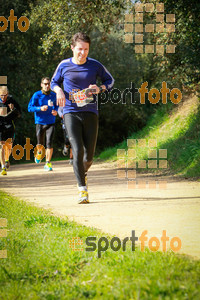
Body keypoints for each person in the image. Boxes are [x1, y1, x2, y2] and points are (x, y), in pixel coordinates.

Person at [51, 32, 114, 203]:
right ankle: (82, 190)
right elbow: (53, 82)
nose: (83, 53)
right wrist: (58, 91)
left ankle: (82, 173)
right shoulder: (64, 65)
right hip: (70, 111)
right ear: (72, 48)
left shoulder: (95, 65)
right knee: (77, 150)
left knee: (89, 156)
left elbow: (110, 80)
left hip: (91, 111)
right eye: (80, 49)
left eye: (86, 49)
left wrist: (99, 89)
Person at [28, 77, 58, 171]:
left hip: (51, 122)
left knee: (49, 142)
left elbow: (57, 106)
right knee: (40, 144)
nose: (47, 86)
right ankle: (39, 153)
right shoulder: (37, 95)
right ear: (41, 85)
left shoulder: (54, 95)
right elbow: (30, 108)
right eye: (45, 84)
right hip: (40, 122)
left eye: (48, 84)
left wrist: (56, 111)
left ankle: (48, 163)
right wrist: (39, 108)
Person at [0, 86, 21, 175]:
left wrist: (13, 109)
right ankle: (3, 166)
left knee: (8, 146)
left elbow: (19, 114)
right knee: (1, 146)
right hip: (0, 126)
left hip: (9, 126)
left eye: (5, 95)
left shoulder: (11, 100)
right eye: (1, 95)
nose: (3, 97)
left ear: (7, 94)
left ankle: (7, 159)